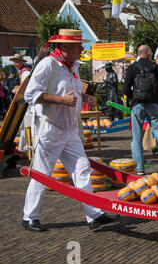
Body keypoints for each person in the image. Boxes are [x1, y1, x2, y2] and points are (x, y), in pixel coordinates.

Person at [22, 29, 118, 232]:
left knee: (82, 168)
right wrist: (61, 101)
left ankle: (93, 215)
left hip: (70, 130)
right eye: (78, 45)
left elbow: (73, 90)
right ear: (64, 47)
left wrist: (86, 97)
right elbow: (30, 94)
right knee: (42, 173)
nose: (82, 48)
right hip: (51, 128)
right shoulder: (48, 64)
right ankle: (29, 216)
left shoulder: (72, 65)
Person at [123, 45, 158, 175]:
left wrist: (135, 98)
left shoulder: (132, 68)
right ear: (148, 53)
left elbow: (125, 89)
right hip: (154, 104)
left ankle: (139, 169)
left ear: (139, 53)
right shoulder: (156, 68)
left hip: (137, 105)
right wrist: (153, 95)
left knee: (136, 138)